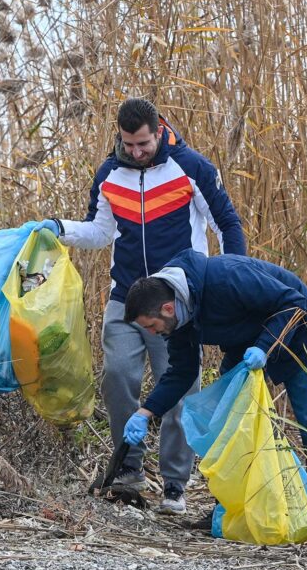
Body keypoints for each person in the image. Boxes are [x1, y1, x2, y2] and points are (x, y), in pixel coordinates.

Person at [30, 98, 245, 514]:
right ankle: (129, 470)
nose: (136, 152)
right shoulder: (110, 174)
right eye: (129, 144)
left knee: (178, 386)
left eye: (143, 143)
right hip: (125, 298)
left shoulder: (192, 167)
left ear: (158, 130)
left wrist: (228, 278)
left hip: (176, 301)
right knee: (117, 376)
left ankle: (175, 485)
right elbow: (100, 231)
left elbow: (226, 224)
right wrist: (60, 229)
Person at [120, 248, 307, 518]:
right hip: (245, 345)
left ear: (167, 308)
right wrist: (146, 412)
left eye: (152, 326)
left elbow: (293, 304)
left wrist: (263, 347)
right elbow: (181, 373)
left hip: (300, 338)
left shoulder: (226, 277)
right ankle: (230, 513)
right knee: (229, 428)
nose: (153, 333)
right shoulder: (178, 320)